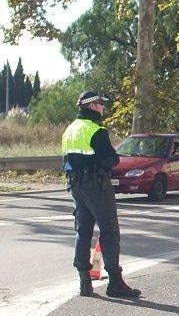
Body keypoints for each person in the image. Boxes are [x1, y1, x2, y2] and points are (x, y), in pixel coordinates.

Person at [60, 92, 141, 300]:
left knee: (83, 232)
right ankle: (115, 282)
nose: (103, 108)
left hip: (76, 186)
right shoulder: (96, 130)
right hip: (97, 185)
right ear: (93, 106)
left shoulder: (69, 130)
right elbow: (110, 159)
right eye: (101, 104)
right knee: (109, 230)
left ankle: (84, 283)